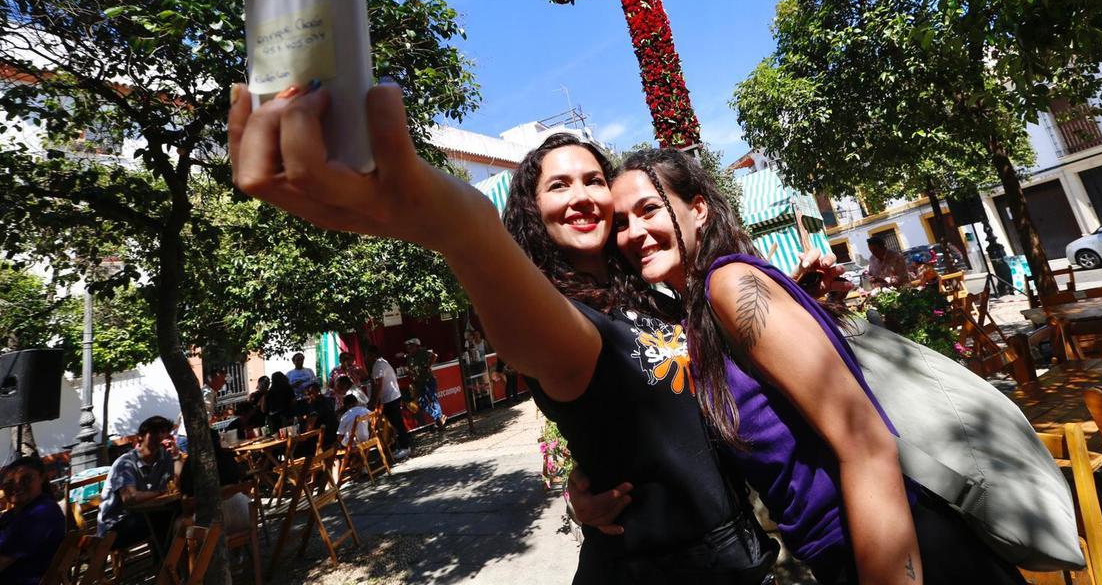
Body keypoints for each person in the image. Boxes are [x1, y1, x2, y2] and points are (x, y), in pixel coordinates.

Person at [228, 83, 775, 584]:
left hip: (742, 551)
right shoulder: (567, 321)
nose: (582, 195)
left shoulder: (656, 300)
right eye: (558, 185)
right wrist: (460, 225)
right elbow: (546, 340)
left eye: (593, 180)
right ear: (533, 211)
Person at [609, 148, 1022, 584]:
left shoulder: (729, 284)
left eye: (649, 209)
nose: (634, 232)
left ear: (698, 209)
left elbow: (866, 443)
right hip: (847, 555)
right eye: (620, 222)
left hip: (897, 548)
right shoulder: (699, 315)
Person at [98, 415, 182, 550]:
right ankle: (166, 565)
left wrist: (176, 457)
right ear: (139, 437)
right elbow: (130, 498)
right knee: (164, 519)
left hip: (146, 514)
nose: (159, 437)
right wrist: (161, 492)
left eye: (163, 432)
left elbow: (178, 485)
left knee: (178, 514)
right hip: (115, 527)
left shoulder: (164, 456)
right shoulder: (125, 463)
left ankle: (170, 563)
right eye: (154, 432)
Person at [0, 456, 65, 585]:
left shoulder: (42, 512)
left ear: (41, 478)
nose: (17, 486)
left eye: (25, 479)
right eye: (9, 483)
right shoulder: (12, 515)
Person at [178, 430, 251, 533]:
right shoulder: (227, 456)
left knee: (179, 525)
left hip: (211, 527)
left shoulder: (191, 464)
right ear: (218, 441)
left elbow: (185, 493)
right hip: (244, 515)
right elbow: (240, 477)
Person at [365, 344, 413, 461]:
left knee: (397, 423)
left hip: (390, 398)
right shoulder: (380, 363)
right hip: (390, 397)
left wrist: (374, 402)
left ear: (373, 355)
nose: (366, 358)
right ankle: (402, 445)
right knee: (394, 423)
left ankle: (405, 447)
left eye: (367, 355)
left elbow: (379, 385)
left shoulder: (378, 365)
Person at [404, 338, 447, 431]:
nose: (409, 348)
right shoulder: (409, 357)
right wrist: (409, 371)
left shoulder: (422, 353)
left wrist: (428, 366)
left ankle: (439, 421)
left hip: (428, 380)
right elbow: (408, 368)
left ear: (416, 346)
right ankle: (439, 418)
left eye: (411, 346)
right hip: (419, 382)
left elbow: (434, 356)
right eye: (408, 346)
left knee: (433, 399)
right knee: (422, 402)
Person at [301, 383, 340, 449]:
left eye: (310, 394)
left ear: (318, 391)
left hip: (325, 440)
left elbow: (309, 428)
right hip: (335, 436)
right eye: (306, 395)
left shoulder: (315, 405)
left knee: (301, 446)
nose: (308, 397)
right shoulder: (329, 400)